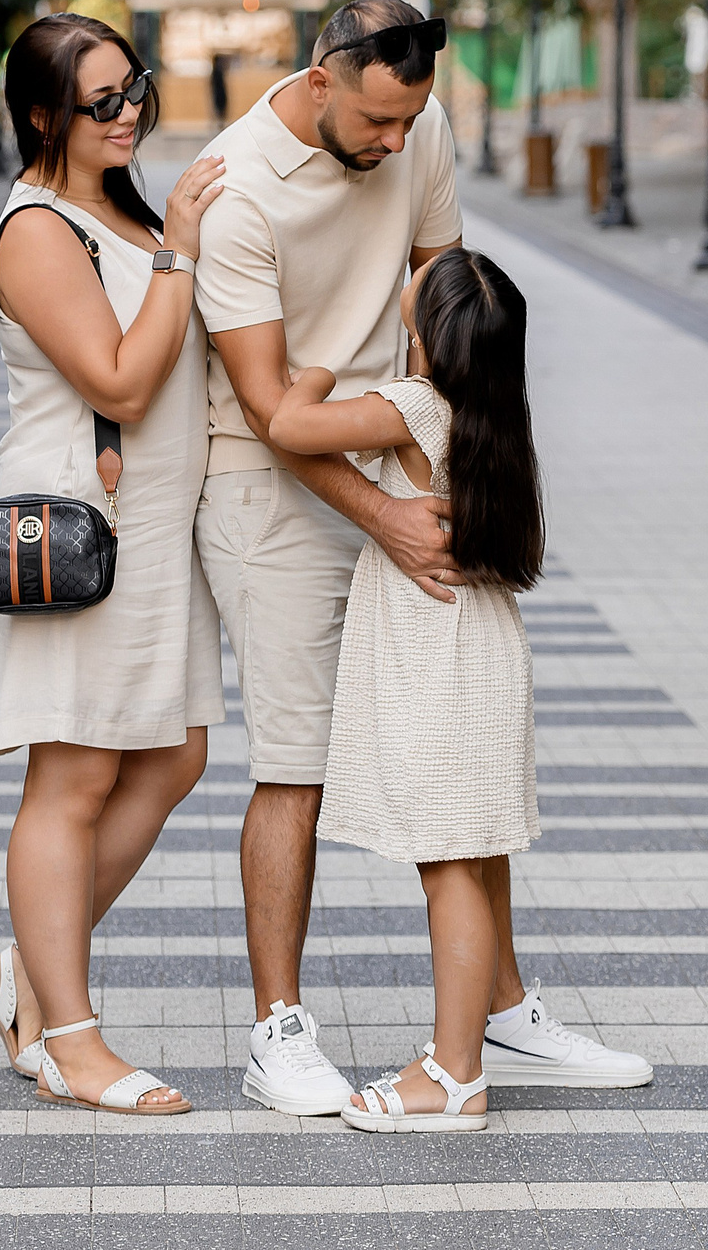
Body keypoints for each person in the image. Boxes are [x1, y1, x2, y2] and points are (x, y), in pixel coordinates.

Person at [192, 0, 651, 1117]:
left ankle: (496, 1014)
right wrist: (383, 507)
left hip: (395, 451)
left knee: (462, 783)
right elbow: (266, 409)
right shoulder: (236, 184)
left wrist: (413, 476)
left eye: (415, 121)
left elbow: (447, 301)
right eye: (380, 123)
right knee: (294, 763)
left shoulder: (418, 118)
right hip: (276, 488)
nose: (401, 146)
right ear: (321, 77)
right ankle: (279, 1027)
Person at [0, 13, 231, 1116]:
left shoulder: (111, 208)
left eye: (136, 89)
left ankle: (24, 973)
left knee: (172, 755)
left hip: (155, 529)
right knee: (70, 779)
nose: (129, 113)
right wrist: (177, 251)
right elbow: (119, 382)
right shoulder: (35, 228)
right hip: (77, 530)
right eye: (102, 101)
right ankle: (69, 1035)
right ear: (42, 115)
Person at [267, 247, 545, 1132]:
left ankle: (454, 1072)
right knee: (467, 852)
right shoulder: (496, 414)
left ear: (427, 333)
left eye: (418, 283)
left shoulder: (414, 404)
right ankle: (464, 1052)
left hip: (439, 657)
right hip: (482, 649)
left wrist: (309, 375)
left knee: (449, 860)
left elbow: (289, 426)